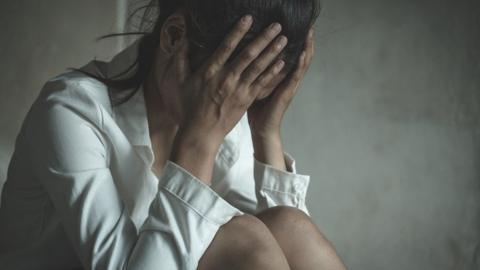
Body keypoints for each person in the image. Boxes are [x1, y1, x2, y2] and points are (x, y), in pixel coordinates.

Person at [0, 0, 346, 269]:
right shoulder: (70, 111)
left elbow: (286, 246)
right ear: (174, 36)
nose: (237, 109)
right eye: (236, 88)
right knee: (244, 237)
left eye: (254, 94)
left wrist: (266, 132)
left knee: (289, 226)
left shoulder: (229, 109)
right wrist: (198, 143)